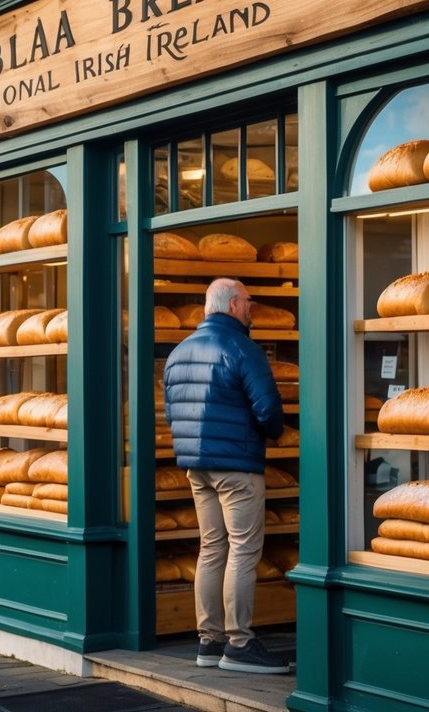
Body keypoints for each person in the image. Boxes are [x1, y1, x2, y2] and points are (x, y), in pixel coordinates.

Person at [163, 277, 289, 674]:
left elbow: (172, 412)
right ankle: (239, 643)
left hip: (195, 465)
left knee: (211, 547)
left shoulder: (179, 352)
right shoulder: (242, 347)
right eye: (249, 302)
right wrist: (275, 433)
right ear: (233, 304)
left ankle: (209, 639)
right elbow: (268, 409)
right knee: (243, 550)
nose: (252, 308)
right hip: (236, 464)